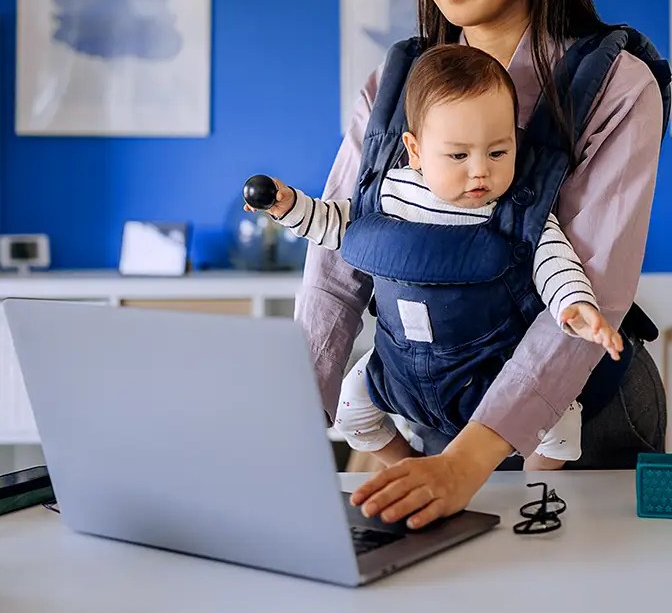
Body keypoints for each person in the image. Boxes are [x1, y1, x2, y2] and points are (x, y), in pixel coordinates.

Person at [296, 0, 669, 531]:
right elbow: (333, 270)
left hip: (579, 416)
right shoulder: (390, 85)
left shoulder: (616, 86)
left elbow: (594, 288)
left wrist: (468, 463)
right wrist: (288, 426)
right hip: (433, 408)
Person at [247, 43, 623, 472]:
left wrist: (577, 306)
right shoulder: (390, 193)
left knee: (558, 419)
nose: (480, 170)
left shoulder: (515, 209)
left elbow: (555, 261)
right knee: (350, 409)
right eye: (459, 155)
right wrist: (287, 205)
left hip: (488, 366)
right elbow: (334, 225)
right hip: (398, 364)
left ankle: (531, 491)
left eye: (498, 152)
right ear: (416, 150)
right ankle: (405, 467)